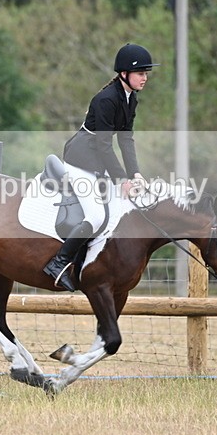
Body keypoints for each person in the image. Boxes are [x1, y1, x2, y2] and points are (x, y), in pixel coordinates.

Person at [43, 43, 159, 291]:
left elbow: (126, 139)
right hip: (81, 159)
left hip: (98, 160)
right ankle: (59, 262)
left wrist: (135, 173)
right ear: (124, 74)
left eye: (146, 74)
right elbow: (105, 145)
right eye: (141, 73)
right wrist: (122, 181)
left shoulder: (130, 98)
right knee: (96, 215)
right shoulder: (106, 99)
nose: (145, 78)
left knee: (119, 211)